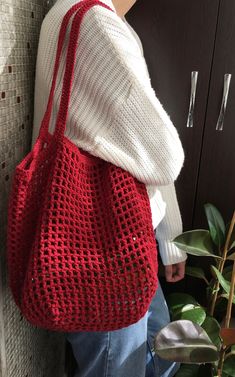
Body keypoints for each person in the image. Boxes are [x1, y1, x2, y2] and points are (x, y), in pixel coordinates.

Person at [31, 0, 187, 376]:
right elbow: (163, 155)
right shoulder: (95, 24)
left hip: (126, 242)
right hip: (102, 252)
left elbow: (134, 146)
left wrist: (168, 237)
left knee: (166, 356)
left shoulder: (105, 23)